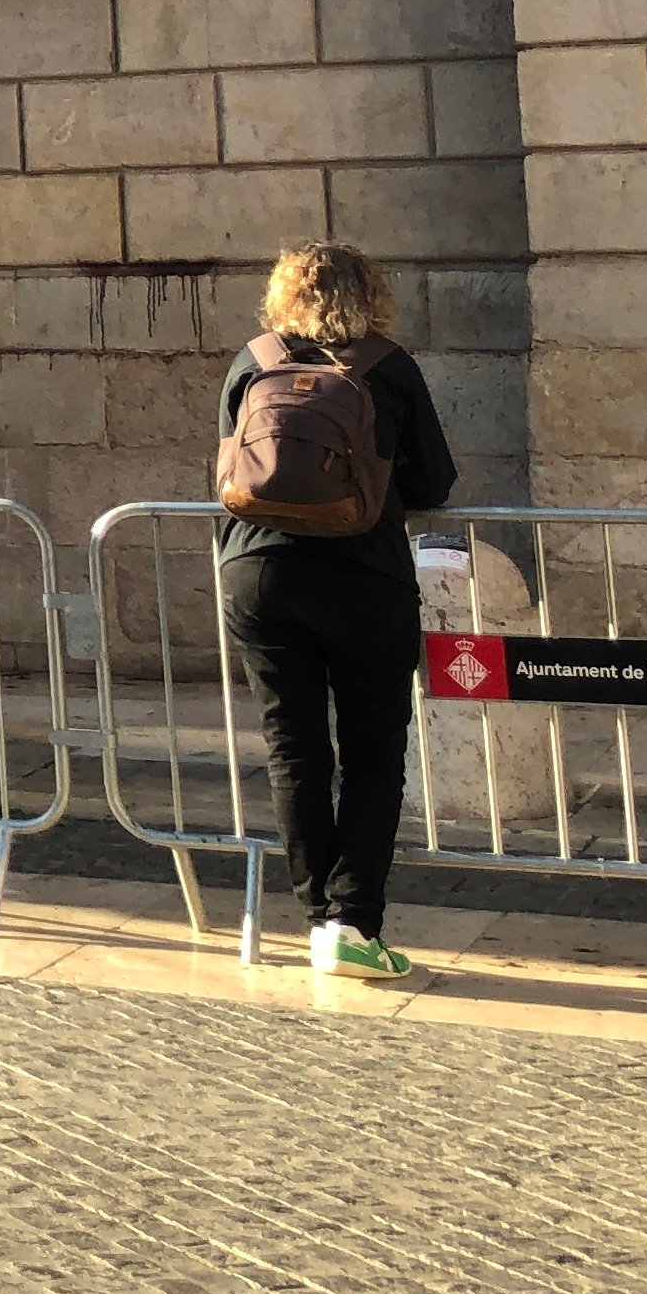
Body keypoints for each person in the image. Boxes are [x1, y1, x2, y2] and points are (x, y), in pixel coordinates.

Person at [213, 243, 458, 978]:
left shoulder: (252, 363)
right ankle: (352, 922)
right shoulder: (388, 367)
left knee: (294, 749)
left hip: (257, 571)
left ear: (281, 295)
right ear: (373, 296)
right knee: (374, 752)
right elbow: (437, 480)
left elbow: (233, 469)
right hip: (364, 577)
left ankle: (318, 919)